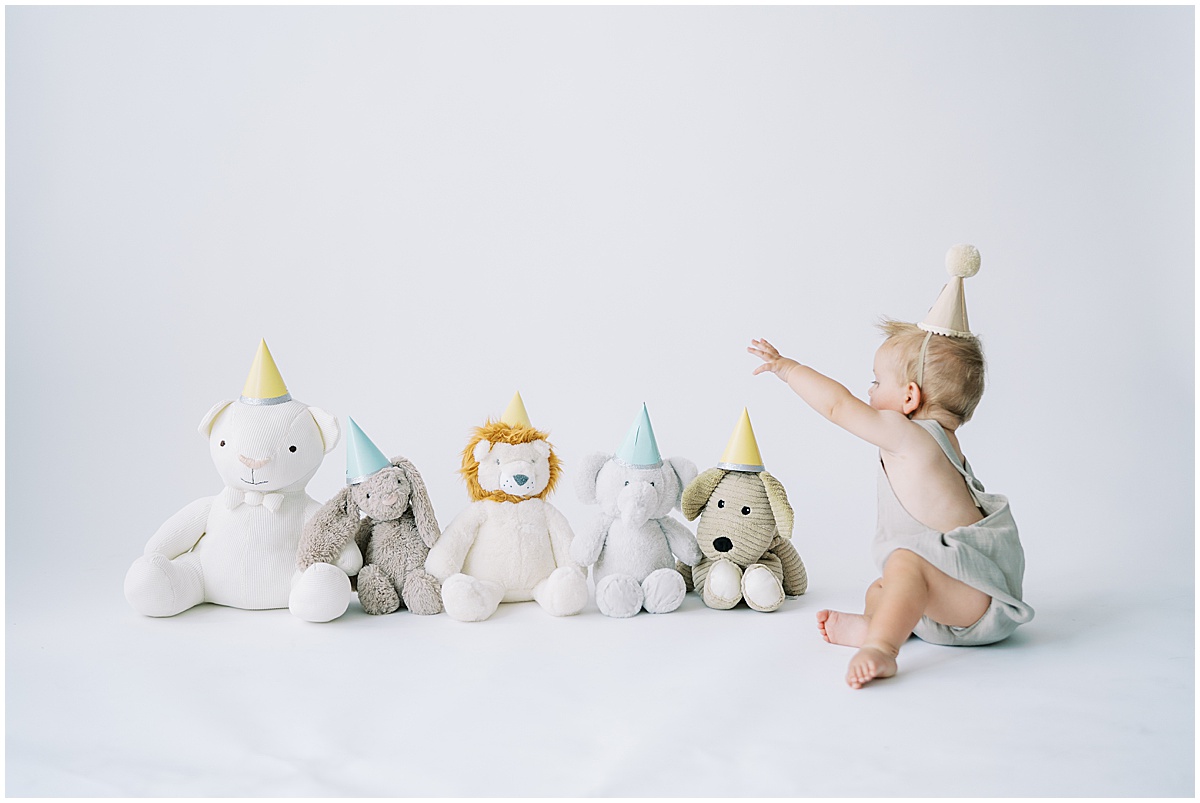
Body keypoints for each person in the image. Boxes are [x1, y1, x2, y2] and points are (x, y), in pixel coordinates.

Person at [747, 246, 1032, 688]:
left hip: (977, 601)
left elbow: (839, 406)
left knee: (903, 564)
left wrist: (789, 368)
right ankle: (875, 624)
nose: (869, 390)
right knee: (882, 588)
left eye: (878, 381)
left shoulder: (911, 438)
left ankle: (882, 647)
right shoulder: (944, 442)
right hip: (963, 595)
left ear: (910, 398)